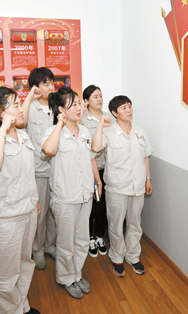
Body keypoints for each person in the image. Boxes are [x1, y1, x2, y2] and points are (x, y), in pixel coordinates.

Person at [0, 87, 40, 314]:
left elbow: (28, 173)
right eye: (15, 105)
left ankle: (21, 307)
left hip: (28, 211)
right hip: (6, 218)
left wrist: (34, 199)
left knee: (24, 264)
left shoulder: (23, 136)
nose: (21, 109)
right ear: (1, 113)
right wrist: (3, 129)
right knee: (6, 274)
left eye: (20, 103)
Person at [41, 87, 97, 299]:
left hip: (85, 194)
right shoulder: (53, 132)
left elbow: (90, 158)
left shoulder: (85, 132)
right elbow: (48, 150)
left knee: (82, 240)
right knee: (65, 243)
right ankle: (66, 278)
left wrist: (97, 182)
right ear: (62, 110)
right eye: (73, 105)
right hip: (65, 197)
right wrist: (59, 124)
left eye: (79, 103)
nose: (79, 108)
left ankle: (77, 274)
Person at [91, 95, 153, 278]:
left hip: (138, 185)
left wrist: (148, 179)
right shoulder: (108, 132)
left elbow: (145, 156)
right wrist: (100, 126)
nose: (129, 110)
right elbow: (95, 148)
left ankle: (133, 256)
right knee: (116, 224)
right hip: (117, 187)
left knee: (135, 223)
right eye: (124, 108)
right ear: (114, 112)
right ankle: (117, 256)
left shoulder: (140, 131)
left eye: (130, 106)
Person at [25, 67, 57, 270]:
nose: (51, 87)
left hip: (59, 169)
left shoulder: (58, 107)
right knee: (40, 212)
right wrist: (29, 98)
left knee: (55, 212)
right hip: (39, 169)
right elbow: (20, 124)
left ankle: (50, 245)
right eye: (46, 83)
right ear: (36, 87)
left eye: (52, 83)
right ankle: (37, 249)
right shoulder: (29, 108)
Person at [81, 85, 110, 257]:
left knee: (103, 206)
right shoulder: (82, 119)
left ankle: (99, 236)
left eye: (100, 96)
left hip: (108, 168)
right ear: (86, 101)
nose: (99, 99)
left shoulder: (108, 116)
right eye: (95, 96)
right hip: (91, 168)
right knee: (91, 205)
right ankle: (89, 238)